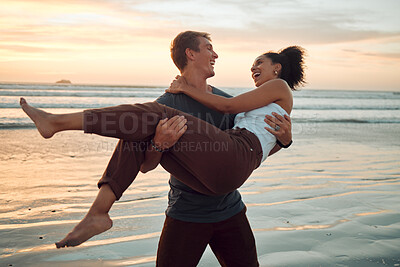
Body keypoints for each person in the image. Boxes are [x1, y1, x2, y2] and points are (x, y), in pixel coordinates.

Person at [21, 32, 299, 266]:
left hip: (228, 208)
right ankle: (98, 211)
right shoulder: (168, 103)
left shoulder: (229, 102)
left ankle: (58, 125)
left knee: (142, 119)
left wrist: (284, 141)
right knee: (135, 128)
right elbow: (145, 165)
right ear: (191, 54)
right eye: (209, 48)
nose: (216, 55)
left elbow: (250, 147)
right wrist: (157, 144)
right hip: (187, 211)